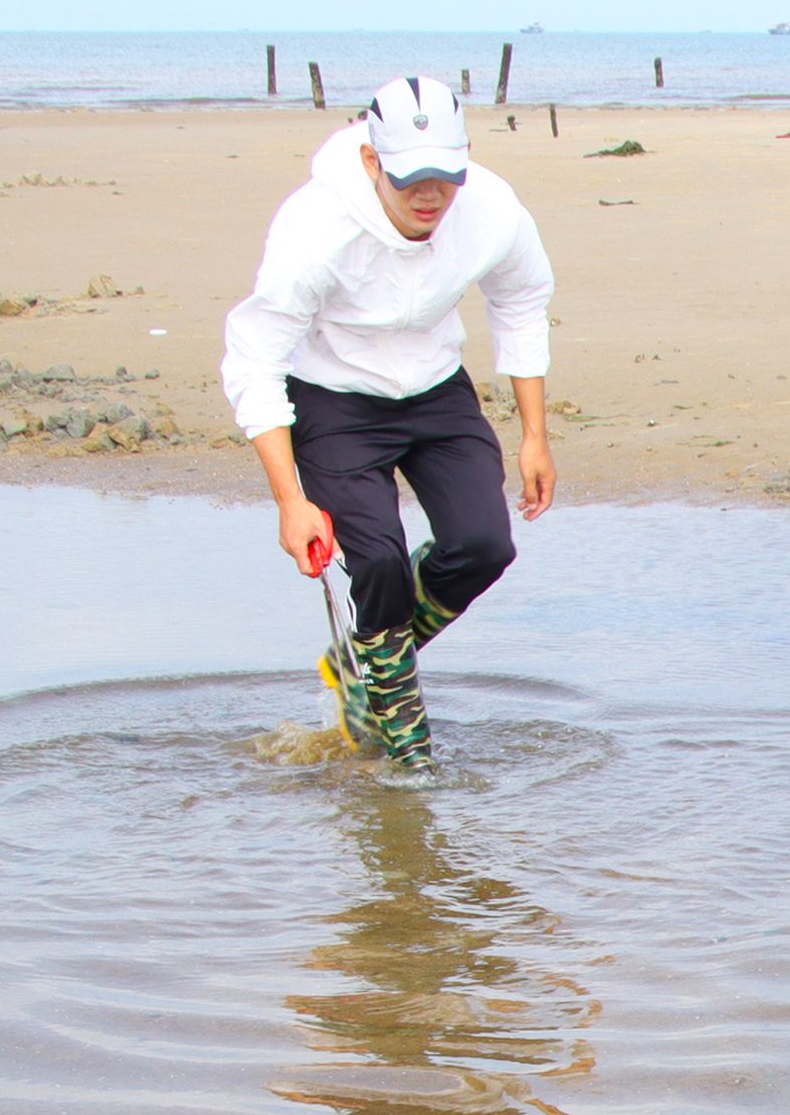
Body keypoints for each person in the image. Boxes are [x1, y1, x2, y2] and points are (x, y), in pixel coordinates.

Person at [220, 77, 557, 769]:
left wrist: (534, 435)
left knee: (484, 544)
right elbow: (254, 360)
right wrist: (292, 503)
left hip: (435, 388)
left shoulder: (491, 209)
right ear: (374, 162)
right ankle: (410, 762)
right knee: (375, 560)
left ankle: (359, 663)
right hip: (333, 397)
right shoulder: (315, 229)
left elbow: (521, 300)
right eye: (411, 179)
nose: (430, 195)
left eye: (445, 175)